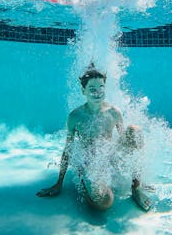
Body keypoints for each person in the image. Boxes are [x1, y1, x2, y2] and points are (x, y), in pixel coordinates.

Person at [36, 64, 152, 211]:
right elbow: (68, 149)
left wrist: (128, 171)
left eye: (101, 88)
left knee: (135, 131)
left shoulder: (114, 112)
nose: (97, 93)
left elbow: (126, 145)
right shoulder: (75, 117)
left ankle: (136, 189)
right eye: (92, 89)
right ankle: (84, 182)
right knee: (105, 203)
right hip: (89, 163)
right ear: (83, 91)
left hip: (109, 156)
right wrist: (59, 183)